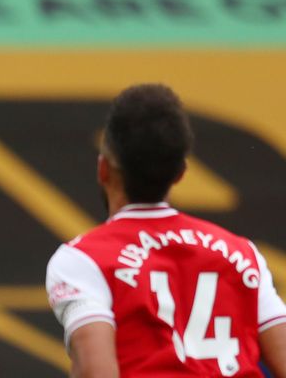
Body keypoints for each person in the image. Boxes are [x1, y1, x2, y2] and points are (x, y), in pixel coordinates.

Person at [46, 84, 286, 377]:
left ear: (103, 169)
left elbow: (95, 368)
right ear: (181, 173)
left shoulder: (83, 260)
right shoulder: (243, 255)